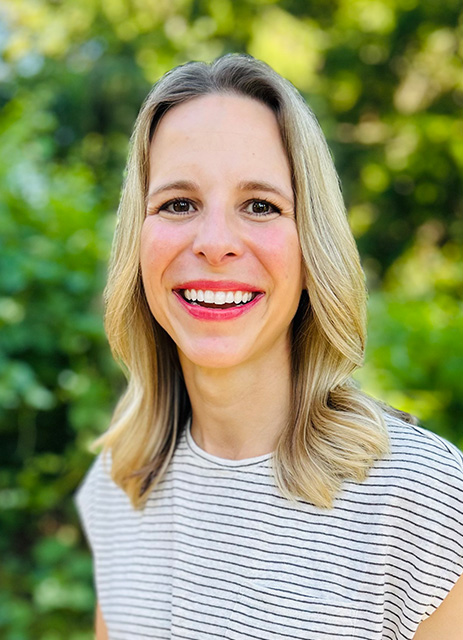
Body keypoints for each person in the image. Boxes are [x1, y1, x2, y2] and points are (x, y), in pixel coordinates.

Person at [76, 54, 463, 640]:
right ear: (138, 238)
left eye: (261, 205)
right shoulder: (120, 484)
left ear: (312, 243)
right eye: (178, 203)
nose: (215, 243)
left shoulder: (418, 500)